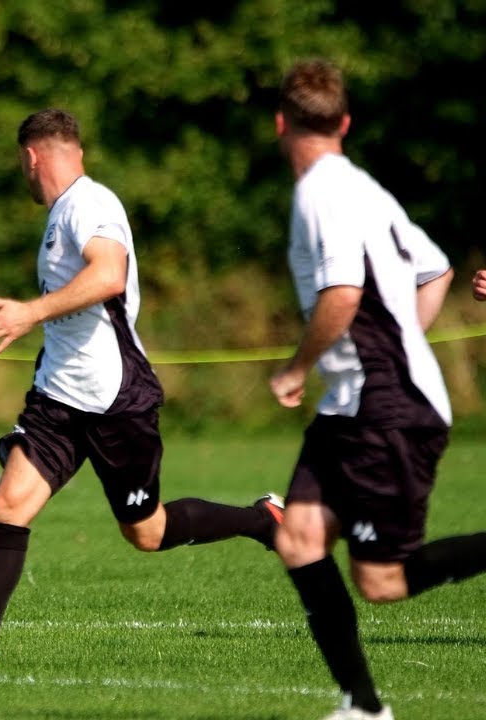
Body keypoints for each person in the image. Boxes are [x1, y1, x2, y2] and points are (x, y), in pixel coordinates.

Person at [0, 108, 283, 668]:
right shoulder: (63, 213)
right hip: (58, 399)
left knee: (147, 532)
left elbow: (109, 274)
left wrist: (30, 313)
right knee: (8, 504)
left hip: (114, 398)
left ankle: (263, 520)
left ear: (31, 157)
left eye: (21, 163)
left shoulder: (91, 203)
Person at [267, 58, 486, 720]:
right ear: (345, 122)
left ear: (281, 124)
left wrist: (297, 367)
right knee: (299, 537)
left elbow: (342, 293)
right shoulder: (366, 189)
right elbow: (438, 269)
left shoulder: (319, 193)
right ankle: (363, 707)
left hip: (387, 408)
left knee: (383, 581)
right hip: (356, 405)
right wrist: (406, 346)